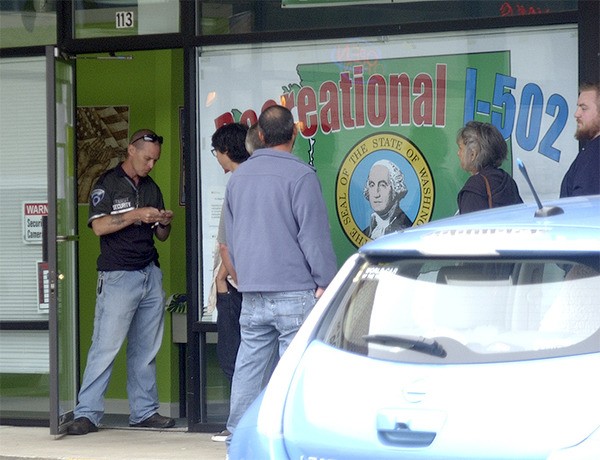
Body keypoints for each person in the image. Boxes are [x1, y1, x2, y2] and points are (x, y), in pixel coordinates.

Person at [223, 105, 338, 445]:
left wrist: (245, 277)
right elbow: (313, 236)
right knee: (295, 369)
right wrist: (325, 282)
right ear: (294, 134)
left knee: (249, 366)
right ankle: (292, 437)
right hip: (294, 290)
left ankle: (237, 437)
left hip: (253, 290)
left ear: (258, 136)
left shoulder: (238, 178)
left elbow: (231, 239)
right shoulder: (301, 175)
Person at [68, 129, 175, 435]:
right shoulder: (107, 184)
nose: (151, 164)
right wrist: (135, 214)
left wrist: (163, 222)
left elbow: (161, 236)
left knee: (146, 349)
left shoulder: (152, 187)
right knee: (105, 346)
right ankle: (87, 413)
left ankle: (144, 412)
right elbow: (99, 227)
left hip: (149, 273)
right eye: (146, 158)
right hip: (117, 276)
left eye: (155, 160)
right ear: (131, 150)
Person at [208, 123, 250, 443]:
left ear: (227, 151)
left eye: (216, 152)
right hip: (258, 282)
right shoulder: (259, 179)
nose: (217, 159)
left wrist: (227, 279)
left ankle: (237, 424)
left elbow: (226, 244)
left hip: (240, 288)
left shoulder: (239, 182)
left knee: (233, 357)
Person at [456, 121, 523, 214]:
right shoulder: (506, 179)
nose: (458, 153)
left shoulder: (474, 187)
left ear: (473, 154)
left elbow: (470, 227)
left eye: (460, 148)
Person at [560, 81, 600, 198]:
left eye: (583, 108)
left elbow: (583, 207)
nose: (576, 114)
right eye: (578, 107)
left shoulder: (595, 153)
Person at [362, 159, 413, 238]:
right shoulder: (366, 233)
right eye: (372, 185)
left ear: (395, 188)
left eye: (382, 185)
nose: (376, 193)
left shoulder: (409, 230)